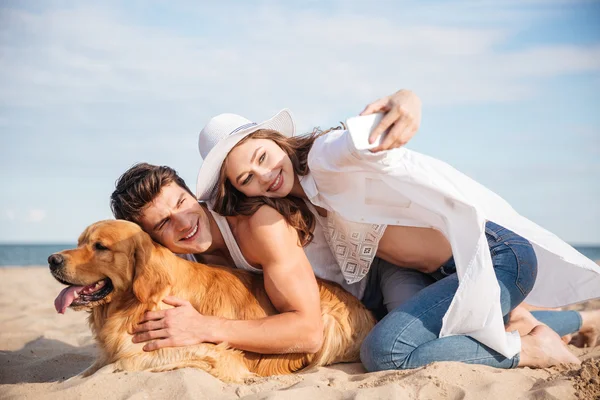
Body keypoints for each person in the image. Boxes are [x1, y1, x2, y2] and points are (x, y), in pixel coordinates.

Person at [193, 90, 600, 370]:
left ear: (276, 141)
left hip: (491, 256)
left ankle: (528, 349)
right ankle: (579, 321)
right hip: (420, 275)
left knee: (386, 353)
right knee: (454, 329)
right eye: (246, 178)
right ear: (240, 190)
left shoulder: (325, 156)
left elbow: (358, 140)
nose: (264, 175)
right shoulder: (293, 207)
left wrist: (406, 100)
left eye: (263, 156)